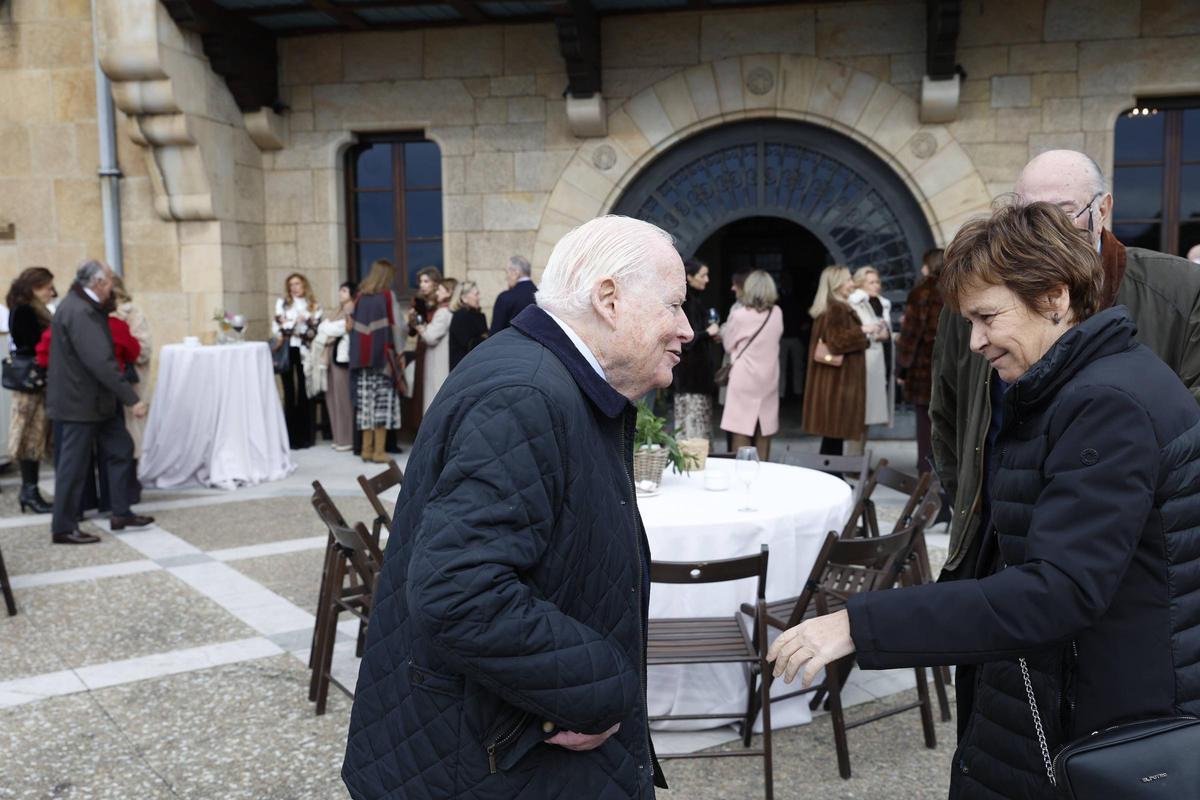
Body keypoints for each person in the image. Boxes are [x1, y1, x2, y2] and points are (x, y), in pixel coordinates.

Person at [768, 202, 1200, 800]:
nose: (974, 342)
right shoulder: (1070, 387)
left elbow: (1058, 591)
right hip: (1056, 701)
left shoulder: (1106, 404)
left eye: (986, 317)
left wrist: (858, 624)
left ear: (1053, 296)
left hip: (1095, 718)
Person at [342, 215, 691, 800]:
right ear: (608, 299)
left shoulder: (552, 379)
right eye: (674, 306)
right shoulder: (524, 395)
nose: (686, 329)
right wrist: (599, 688)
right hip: (486, 764)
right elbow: (460, 591)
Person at [930, 149, 1200, 584]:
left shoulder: (1181, 294)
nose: (1040, 231)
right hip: (990, 553)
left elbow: (1186, 451)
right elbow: (947, 412)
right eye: (1025, 213)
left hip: (1120, 570)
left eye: (1062, 213)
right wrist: (972, 503)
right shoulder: (975, 298)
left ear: (1104, 210)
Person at [47, 260, 151, 545]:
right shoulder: (79, 311)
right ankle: (63, 527)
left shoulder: (85, 306)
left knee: (121, 448)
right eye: (109, 281)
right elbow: (101, 362)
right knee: (73, 465)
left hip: (96, 401)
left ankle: (120, 512)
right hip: (80, 402)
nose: (112, 286)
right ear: (98, 283)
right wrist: (132, 399)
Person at [896, 249, 949, 521]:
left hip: (923, 374)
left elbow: (910, 337)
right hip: (950, 375)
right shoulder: (955, 289)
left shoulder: (922, 294)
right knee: (947, 437)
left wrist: (901, 368)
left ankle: (930, 502)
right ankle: (946, 498)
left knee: (925, 441)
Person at [802, 266, 870, 456]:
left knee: (832, 436)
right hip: (838, 383)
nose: (852, 284)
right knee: (834, 433)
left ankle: (834, 474)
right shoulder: (837, 308)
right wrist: (863, 332)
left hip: (832, 381)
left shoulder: (832, 306)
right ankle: (834, 475)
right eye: (848, 280)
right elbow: (837, 342)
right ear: (837, 284)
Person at [6, 267, 57, 514]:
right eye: (48, 287)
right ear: (35, 286)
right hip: (31, 385)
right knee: (30, 437)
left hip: (37, 383)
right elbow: (30, 344)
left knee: (36, 437)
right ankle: (29, 491)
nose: (51, 292)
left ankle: (30, 491)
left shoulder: (30, 308)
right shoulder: (25, 310)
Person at [719, 270, 783, 461]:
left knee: (741, 428)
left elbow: (728, 345)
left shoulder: (739, 315)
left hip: (744, 377)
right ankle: (762, 472)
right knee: (764, 429)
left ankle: (742, 474)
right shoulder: (777, 313)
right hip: (769, 379)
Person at [350, 260, 403, 464]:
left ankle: (366, 449)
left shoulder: (360, 297)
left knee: (366, 403)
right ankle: (379, 451)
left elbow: (354, 328)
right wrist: (399, 351)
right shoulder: (388, 297)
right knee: (382, 402)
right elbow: (397, 327)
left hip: (362, 360)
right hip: (383, 359)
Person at [110, 275, 151, 504]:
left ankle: (129, 484)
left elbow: (143, 349)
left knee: (130, 432)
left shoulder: (131, 313)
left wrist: (124, 348)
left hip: (129, 381)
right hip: (105, 382)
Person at [273, 272, 322, 449]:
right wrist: (298, 321)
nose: (294, 288)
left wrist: (293, 323)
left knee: (304, 390)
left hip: (305, 351)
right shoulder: (282, 303)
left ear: (304, 285)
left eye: (297, 284)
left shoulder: (313, 304)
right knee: (289, 391)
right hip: (288, 349)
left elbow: (313, 330)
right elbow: (280, 327)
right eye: (291, 284)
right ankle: (290, 437)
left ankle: (305, 437)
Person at [673, 258, 719, 442]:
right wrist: (708, 332)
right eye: (703, 275)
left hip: (694, 379)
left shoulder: (695, 301)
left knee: (696, 429)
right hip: (690, 378)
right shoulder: (687, 302)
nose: (707, 279)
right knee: (693, 433)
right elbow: (686, 341)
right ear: (689, 278)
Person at [846, 266, 892, 448]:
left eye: (877, 281)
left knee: (869, 413)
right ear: (860, 284)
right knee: (859, 413)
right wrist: (874, 332)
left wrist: (886, 334)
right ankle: (853, 460)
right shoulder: (855, 303)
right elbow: (854, 331)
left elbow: (885, 330)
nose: (876, 285)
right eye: (871, 282)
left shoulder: (881, 303)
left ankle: (859, 460)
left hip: (879, 360)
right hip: (863, 362)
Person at [316, 281, 356, 452]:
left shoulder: (351, 309)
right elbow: (323, 328)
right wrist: (326, 327)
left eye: (345, 290)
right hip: (331, 356)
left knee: (342, 398)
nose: (341, 293)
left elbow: (337, 329)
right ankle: (338, 437)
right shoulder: (338, 310)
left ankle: (347, 438)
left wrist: (327, 327)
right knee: (331, 397)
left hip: (342, 358)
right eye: (340, 290)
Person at [415, 277, 454, 413]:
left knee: (435, 404)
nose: (437, 293)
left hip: (437, 364)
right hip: (442, 362)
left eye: (440, 290)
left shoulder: (443, 313)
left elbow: (430, 337)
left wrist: (420, 327)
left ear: (448, 293)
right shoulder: (449, 311)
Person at [488, 254, 537, 334]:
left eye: (507, 272)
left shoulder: (505, 298)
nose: (506, 277)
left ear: (515, 272)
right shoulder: (541, 296)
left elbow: (495, 334)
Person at [448, 279, 487, 370]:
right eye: (476, 294)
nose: (479, 297)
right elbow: (469, 344)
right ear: (464, 298)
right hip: (464, 368)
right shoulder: (461, 316)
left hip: (477, 365)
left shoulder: (479, 315)